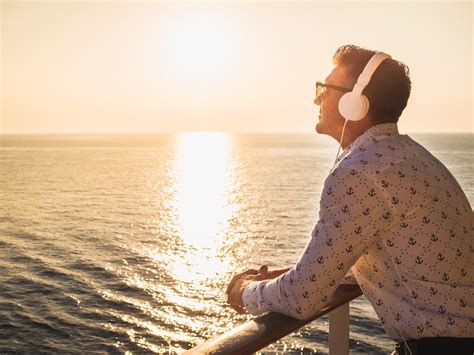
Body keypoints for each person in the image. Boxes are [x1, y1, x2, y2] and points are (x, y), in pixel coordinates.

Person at [226, 45, 473, 354]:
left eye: (325, 89)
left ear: (354, 103)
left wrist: (244, 292)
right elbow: (386, 254)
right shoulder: (413, 157)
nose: (316, 98)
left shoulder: (358, 173)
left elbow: (302, 297)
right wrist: (297, 272)